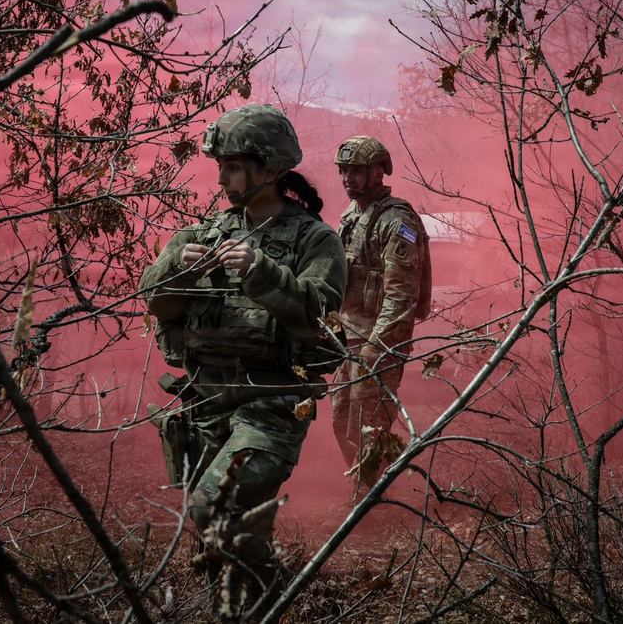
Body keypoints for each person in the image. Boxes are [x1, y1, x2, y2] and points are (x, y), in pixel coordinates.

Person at [139, 104, 346, 620]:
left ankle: (274, 600)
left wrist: (262, 271)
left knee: (215, 506)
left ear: (270, 168)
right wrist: (177, 268)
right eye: (221, 166)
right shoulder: (201, 235)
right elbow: (156, 303)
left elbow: (318, 314)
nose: (222, 179)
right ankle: (238, 614)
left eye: (233, 167)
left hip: (270, 405)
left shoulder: (315, 240)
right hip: (205, 401)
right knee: (220, 533)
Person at [328, 135, 432, 488]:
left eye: (356, 171)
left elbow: (401, 295)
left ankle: (373, 499)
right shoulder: (352, 215)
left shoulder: (397, 220)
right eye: (344, 170)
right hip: (349, 337)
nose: (347, 178)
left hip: (379, 342)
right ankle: (369, 488)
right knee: (341, 418)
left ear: (378, 172)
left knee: (369, 426)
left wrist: (378, 346)